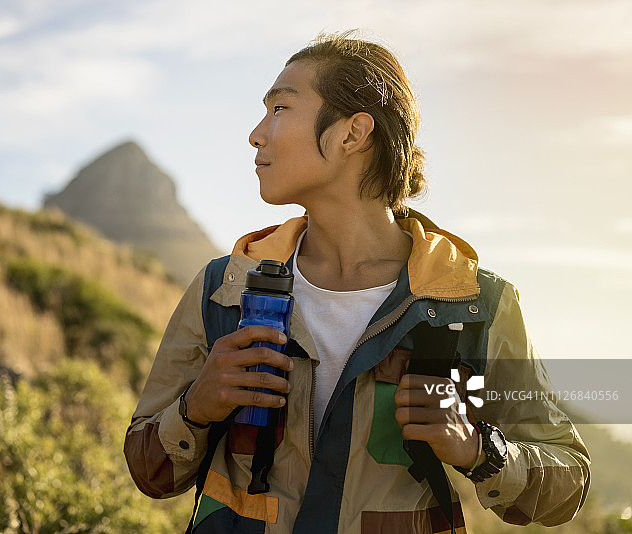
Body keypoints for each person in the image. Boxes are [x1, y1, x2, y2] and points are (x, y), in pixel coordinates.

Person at [124, 32, 590, 534]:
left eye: (280, 108)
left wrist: (477, 448)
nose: (257, 134)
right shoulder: (224, 288)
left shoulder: (476, 305)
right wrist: (196, 408)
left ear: (353, 133)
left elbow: (565, 485)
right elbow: (149, 473)